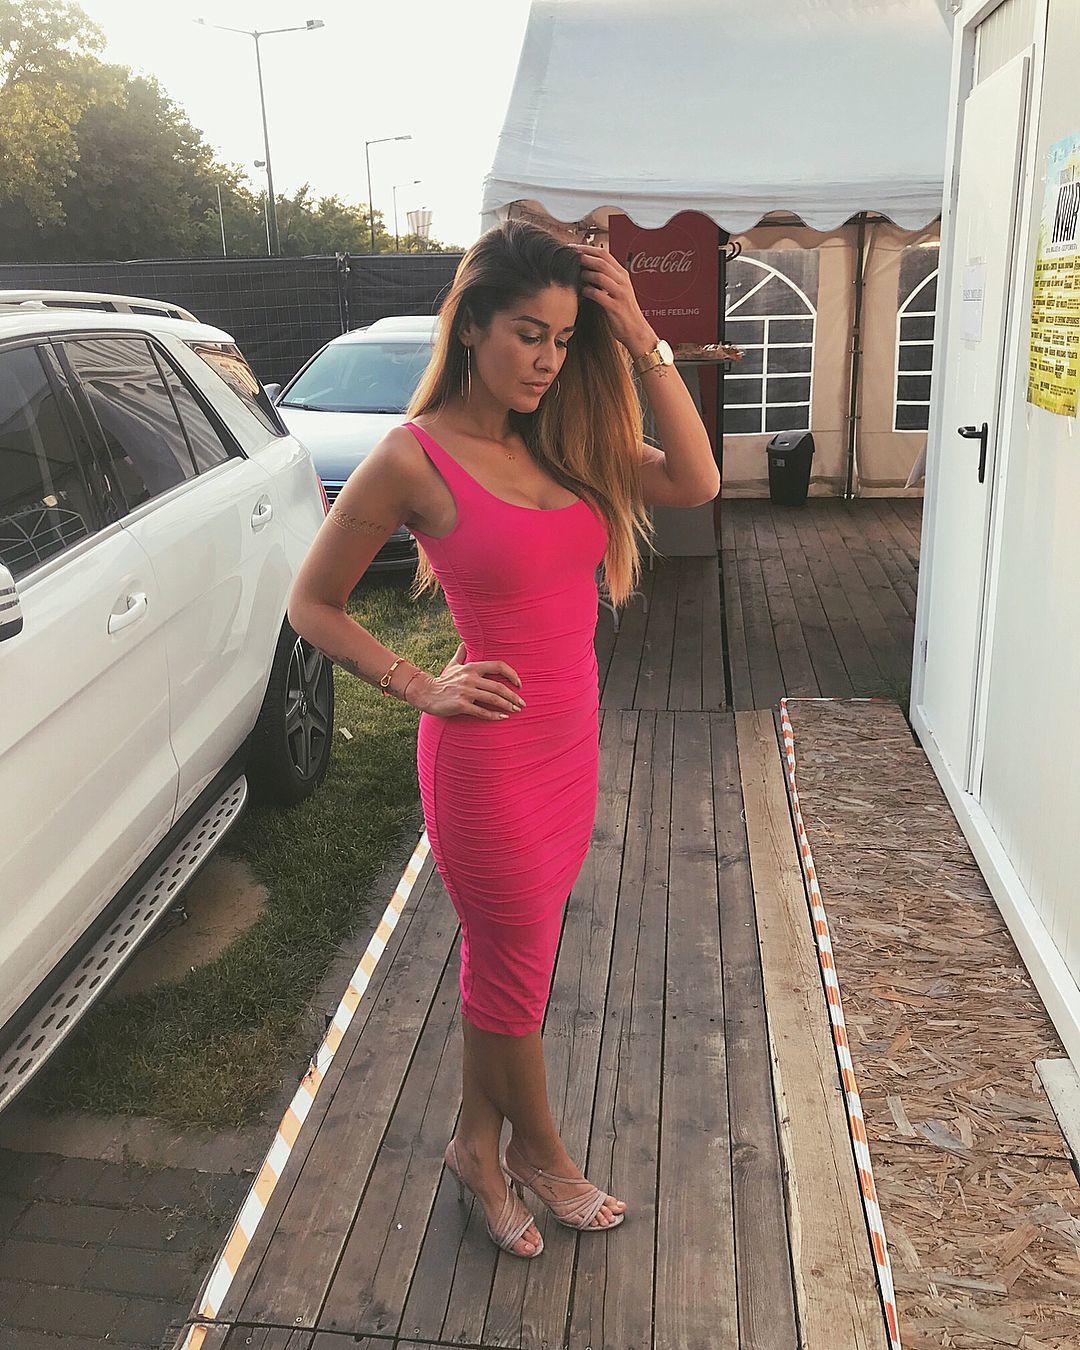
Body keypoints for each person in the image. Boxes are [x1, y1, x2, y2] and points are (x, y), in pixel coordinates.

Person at [287, 220, 719, 1260]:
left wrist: (642, 339)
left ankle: (475, 1147)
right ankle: (542, 1151)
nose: (547, 360)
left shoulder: (566, 438)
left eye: (564, 340)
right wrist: (416, 684)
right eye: (529, 334)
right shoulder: (411, 455)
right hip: (483, 761)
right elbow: (313, 603)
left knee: (507, 967)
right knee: (516, 967)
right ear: (472, 323)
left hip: (570, 743)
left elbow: (696, 482)